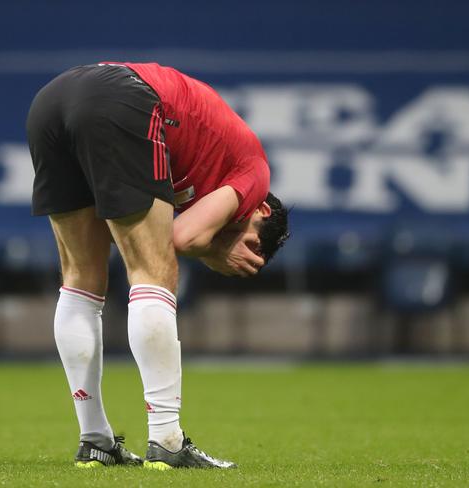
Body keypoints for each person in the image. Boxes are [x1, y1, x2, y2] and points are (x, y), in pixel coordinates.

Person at [26, 62, 289, 470]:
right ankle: (166, 439)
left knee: (81, 281)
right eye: (250, 240)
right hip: (124, 98)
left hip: (52, 101)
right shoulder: (255, 174)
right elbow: (183, 239)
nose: (238, 244)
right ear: (264, 210)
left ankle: (96, 440)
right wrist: (216, 252)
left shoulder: (207, 175)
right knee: (155, 272)